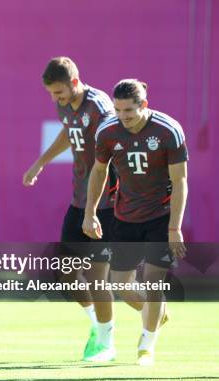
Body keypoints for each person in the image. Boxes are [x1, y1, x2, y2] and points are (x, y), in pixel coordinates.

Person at [23, 57, 144, 361]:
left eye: (59, 93)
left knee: (97, 276)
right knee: (63, 272)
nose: (55, 99)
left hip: (106, 203)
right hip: (80, 200)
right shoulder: (67, 106)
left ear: (75, 83)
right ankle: (98, 326)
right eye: (51, 94)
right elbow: (68, 131)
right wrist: (41, 162)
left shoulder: (100, 107)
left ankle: (107, 342)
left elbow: (112, 152)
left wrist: (96, 208)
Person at [83, 79, 187, 365]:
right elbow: (99, 170)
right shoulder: (107, 132)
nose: (122, 116)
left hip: (160, 216)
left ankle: (146, 346)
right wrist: (90, 211)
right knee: (122, 285)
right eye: (117, 110)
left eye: (128, 110)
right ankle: (156, 312)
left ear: (143, 105)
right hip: (124, 216)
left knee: (154, 283)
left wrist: (174, 227)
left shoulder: (169, 130)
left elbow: (180, 181)